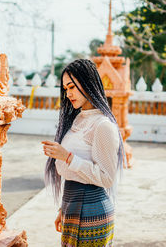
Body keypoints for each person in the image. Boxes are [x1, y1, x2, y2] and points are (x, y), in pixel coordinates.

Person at [42, 59, 125, 247]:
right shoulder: (78, 120)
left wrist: (68, 157)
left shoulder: (102, 125)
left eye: (71, 87)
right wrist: (63, 208)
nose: (68, 93)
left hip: (92, 210)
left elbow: (107, 178)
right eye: (65, 89)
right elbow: (74, 175)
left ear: (87, 82)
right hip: (72, 205)